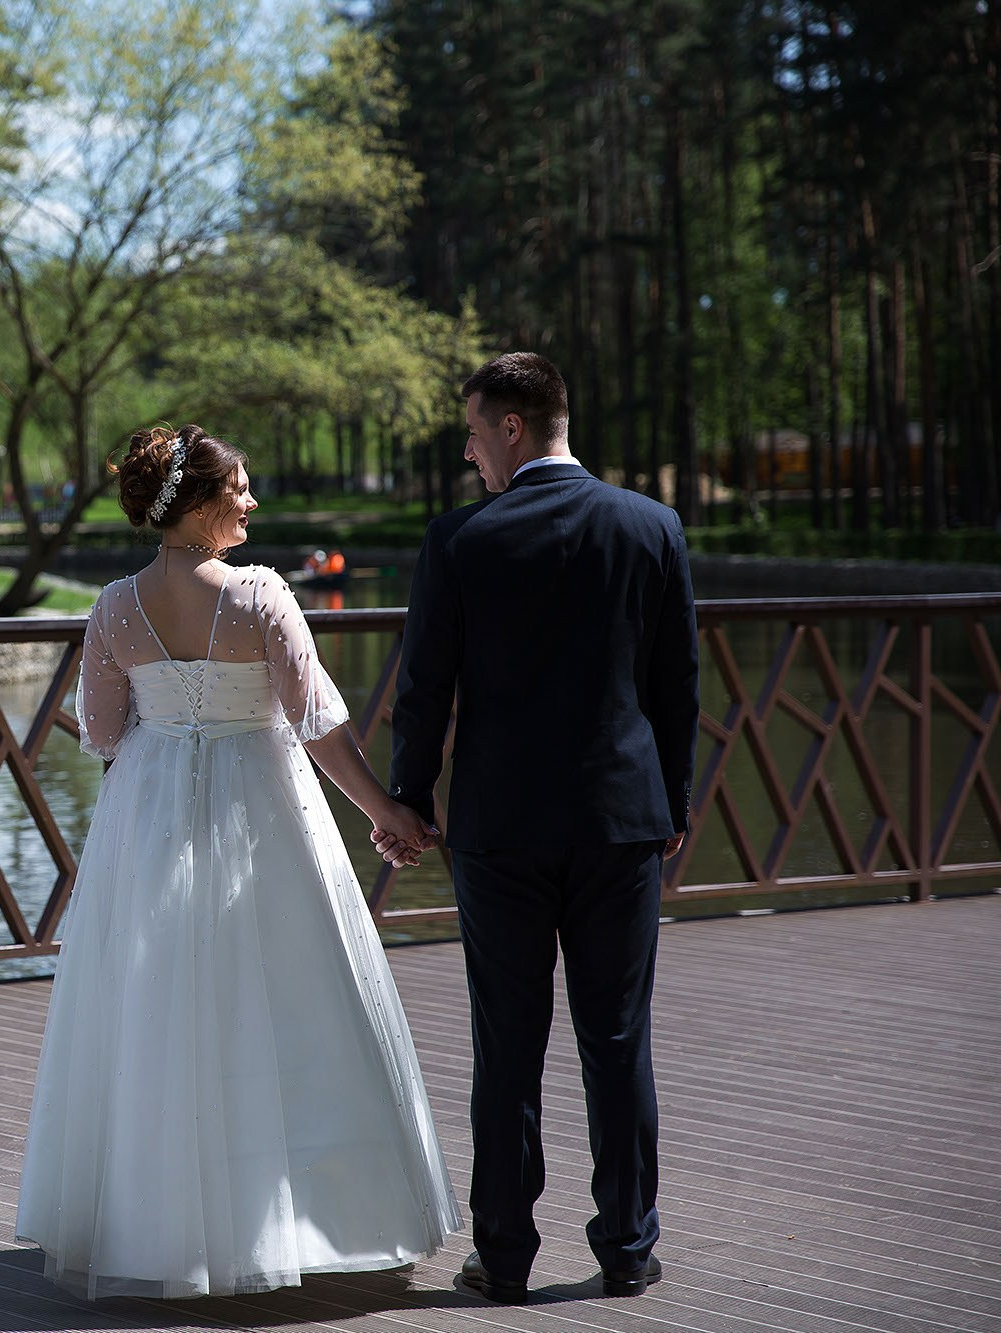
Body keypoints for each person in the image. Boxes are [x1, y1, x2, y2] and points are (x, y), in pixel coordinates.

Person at [15, 424, 459, 1300]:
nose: (252, 500)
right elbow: (317, 724)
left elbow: (101, 731)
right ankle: (298, 1219)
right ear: (196, 503)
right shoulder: (261, 595)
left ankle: (158, 1226)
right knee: (285, 1000)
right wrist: (389, 813)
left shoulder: (114, 607)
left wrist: (168, 730)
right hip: (260, 814)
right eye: (239, 488)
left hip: (150, 818)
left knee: (158, 1012)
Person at [381, 353, 699, 1304]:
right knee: (619, 1038)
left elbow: (423, 689)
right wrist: (673, 803)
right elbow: (676, 683)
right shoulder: (651, 526)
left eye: (474, 432)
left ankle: (506, 1257)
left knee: (507, 1047)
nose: (469, 452)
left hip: (502, 828)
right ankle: (628, 1247)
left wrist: (410, 800)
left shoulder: (459, 539)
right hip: (620, 821)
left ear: (512, 427)